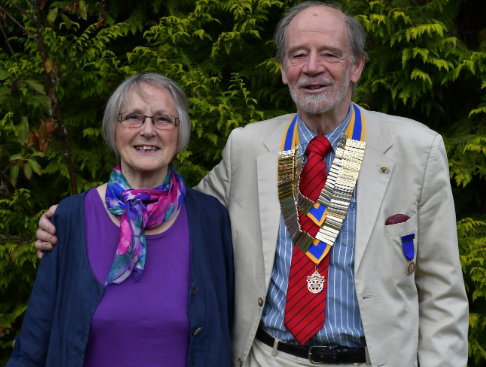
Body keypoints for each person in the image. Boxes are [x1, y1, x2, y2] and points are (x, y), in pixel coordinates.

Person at [35, 2, 468, 367]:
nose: (312, 68)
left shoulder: (416, 148)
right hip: (269, 357)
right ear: (283, 69)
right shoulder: (249, 146)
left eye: (329, 54)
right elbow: (173, 213)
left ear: (356, 67)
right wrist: (77, 221)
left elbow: (443, 294)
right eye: (298, 55)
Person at [9, 73, 234, 367]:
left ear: (180, 133)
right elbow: (32, 345)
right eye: (133, 117)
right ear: (113, 130)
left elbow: (228, 328)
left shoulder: (210, 218)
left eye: (163, 119)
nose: (148, 131)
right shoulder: (69, 219)